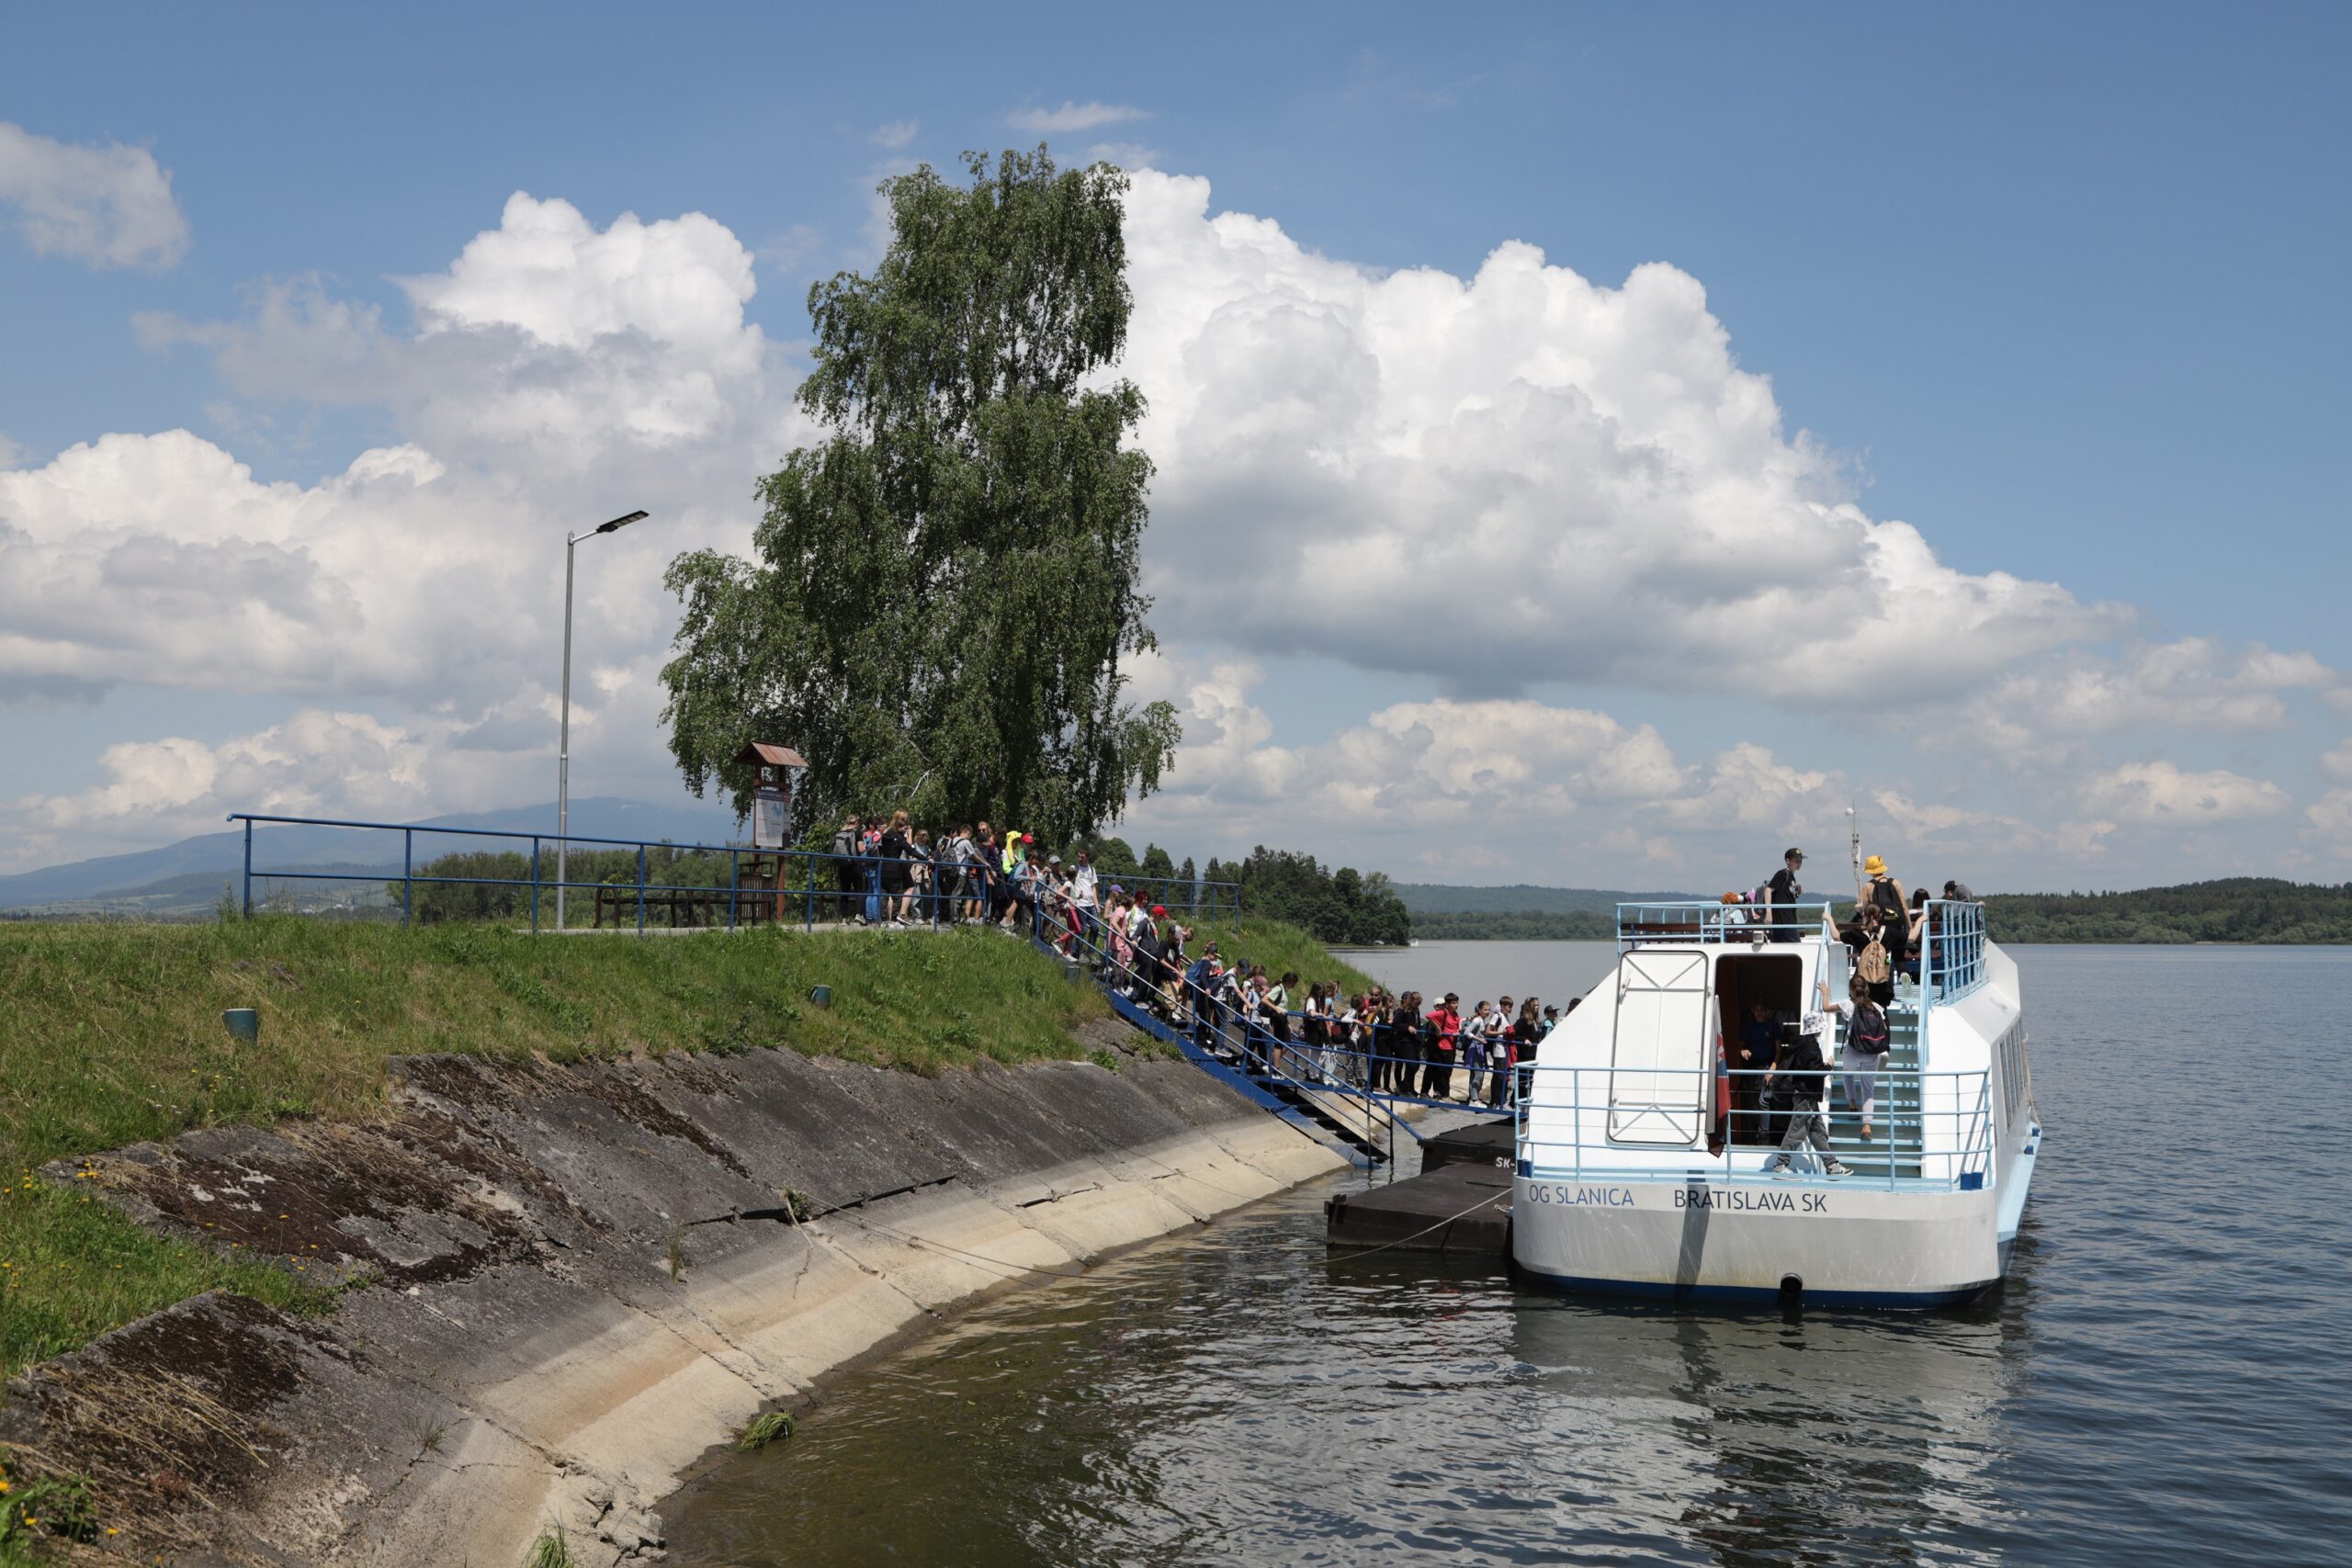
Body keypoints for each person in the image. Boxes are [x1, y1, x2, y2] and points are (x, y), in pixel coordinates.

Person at [1766, 1011, 1853, 1180]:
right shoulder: (1811, 1046)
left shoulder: (1802, 1043)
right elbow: (1814, 1072)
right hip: (1806, 1094)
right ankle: (1780, 1165)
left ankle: (1832, 1165)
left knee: (1816, 1130)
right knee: (1797, 1129)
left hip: (1805, 1094)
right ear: (1817, 1028)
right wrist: (1828, 1067)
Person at [1826, 975, 1892, 1143]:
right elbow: (1884, 1028)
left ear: (1850, 989)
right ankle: (1867, 1126)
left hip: (1854, 1049)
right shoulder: (1876, 1007)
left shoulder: (1847, 1004)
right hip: (1872, 1052)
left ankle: (1852, 1105)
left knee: (1848, 1074)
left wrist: (1825, 992)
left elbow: (1826, 1008)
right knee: (1868, 1089)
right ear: (1867, 989)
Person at [1735, 997, 1781, 1145]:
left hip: (1769, 1065)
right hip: (1753, 1067)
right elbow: (1741, 1046)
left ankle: (1764, 1137)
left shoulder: (1773, 1026)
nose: (1759, 1013)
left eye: (1762, 1010)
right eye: (1756, 1010)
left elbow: (1779, 1051)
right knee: (1754, 1102)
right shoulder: (1749, 1026)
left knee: (1764, 1101)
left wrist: (1772, 1070)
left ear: (1767, 1011)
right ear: (1753, 1011)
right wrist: (1743, 1051)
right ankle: (1754, 1134)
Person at [1766, 847, 1806, 942]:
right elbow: (1768, 890)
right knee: (1795, 947)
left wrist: (1796, 893)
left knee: (1782, 950)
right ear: (1788, 861)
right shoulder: (1783, 873)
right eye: (1796, 860)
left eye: (1800, 861)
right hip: (1784, 920)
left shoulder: (1791, 876)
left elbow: (1785, 895)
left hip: (1788, 919)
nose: (1799, 863)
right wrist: (1768, 913)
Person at [831, 814, 865, 922]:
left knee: (845, 890)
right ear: (857, 823)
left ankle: (844, 918)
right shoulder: (857, 832)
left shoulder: (840, 833)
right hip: (855, 864)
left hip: (843, 865)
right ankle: (859, 914)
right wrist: (866, 846)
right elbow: (860, 849)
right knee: (859, 890)